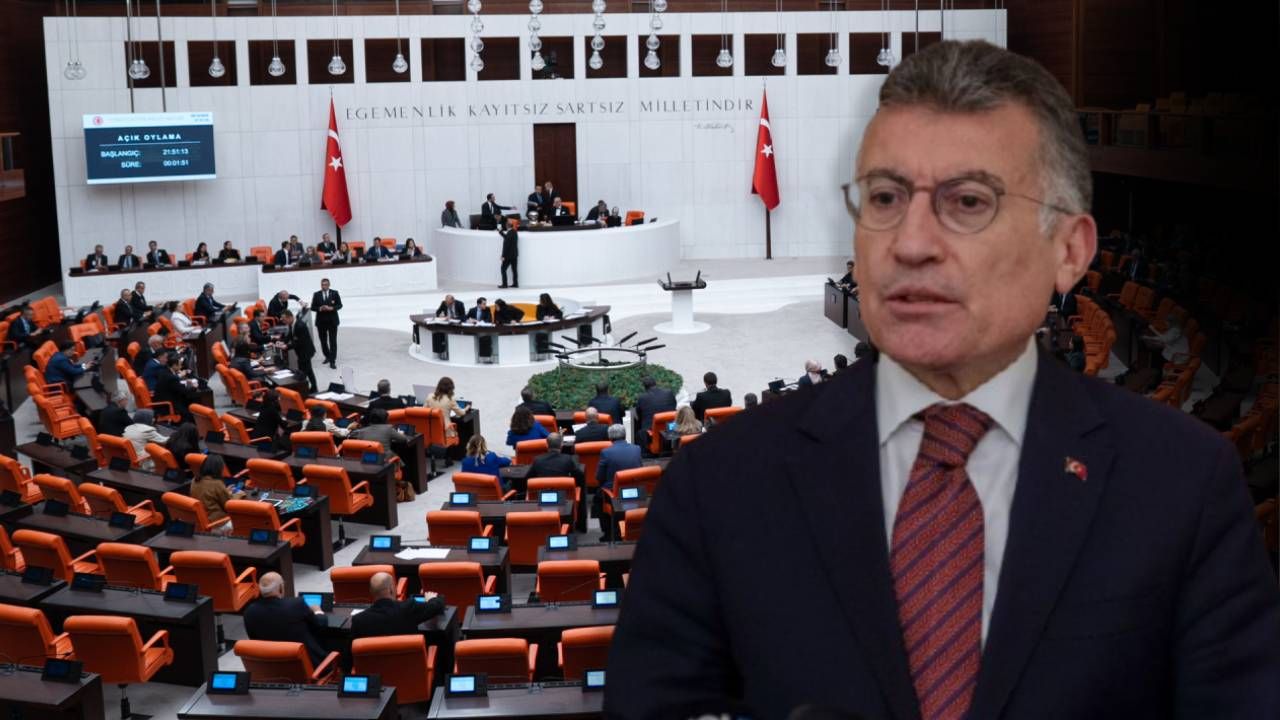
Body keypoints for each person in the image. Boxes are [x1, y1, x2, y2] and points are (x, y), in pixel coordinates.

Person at [606, 40, 1280, 719]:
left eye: (967, 202)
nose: (910, 243)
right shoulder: (717, 486)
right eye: (885, 197)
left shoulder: (1184, 486)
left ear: (1070, 250)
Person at [243, 572, 330, 667]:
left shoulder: (249, 611)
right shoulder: (296, 604)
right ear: (281, 588)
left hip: (271, 667)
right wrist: (318, 611)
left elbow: (254, 640)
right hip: (307, 665)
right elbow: (320, 625)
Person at [350, 572, 445, 640]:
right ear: (391, 590)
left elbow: (350, 656)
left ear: (371, 592)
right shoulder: (408, 608)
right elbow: (437, 606)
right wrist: (431, 599)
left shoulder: (358, 620)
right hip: (408, 663)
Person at [528, 433, 587, 529]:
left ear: (547, 445)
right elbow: (579, 476)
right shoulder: (568, 459)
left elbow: (529, 478)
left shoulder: (537, 460)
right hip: (564, 500)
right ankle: (580, 524)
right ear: (561, 445)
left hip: (542, 499)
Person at [594, 424, 641, 538]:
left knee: (598, 498)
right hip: (635, 491)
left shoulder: (606, 452)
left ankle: (608, 533)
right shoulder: (637, 449)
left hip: (614, 493)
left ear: (610, 437)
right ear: (625, 435)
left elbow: (599, 477)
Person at [190, 454, 246, 524]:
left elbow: (209, 495)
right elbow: (228, 506)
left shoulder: (195, 480)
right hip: (218, 523)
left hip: (201, 520)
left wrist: (225, 491)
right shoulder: (217, 483)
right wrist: (239, 495)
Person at [278, 309, 317, 394]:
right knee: (308, 370)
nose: (283, 322)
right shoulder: (292, 323)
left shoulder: (300, 326)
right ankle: (314, 388)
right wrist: (283, 342)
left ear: (290, 317)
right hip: (301, 351)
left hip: (305, 351)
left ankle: (304, 391)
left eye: (284, 320)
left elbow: (299, 342)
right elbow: (290, 335)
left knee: (302, 372)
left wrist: (287, 346)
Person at [154, 353, 199, 422]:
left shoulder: (165, 371)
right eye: (180, 364)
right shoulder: (171, 377)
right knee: (189, 413)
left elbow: (176, 387)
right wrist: (194, 387)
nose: (181, 366)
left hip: (166, 399)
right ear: (174, 365)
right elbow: (184, 391)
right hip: (167, 406)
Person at [634, 376, 676, 446]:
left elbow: (639, 415)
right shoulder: (669, 393)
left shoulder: (642, 398)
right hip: (671, 427)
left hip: (651, 430)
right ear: (655, 383)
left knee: (638, 425)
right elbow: (674, 406)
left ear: (644, 387)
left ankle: (643, 450)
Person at [311, 278, 342, 369]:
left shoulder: (335, 293)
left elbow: (340, 305)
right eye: (322, 285)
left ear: (329, 285)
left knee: (333, 341)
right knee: (323, 341)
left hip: (332, 321)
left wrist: (332, 308)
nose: (324, 286)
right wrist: (320, 308)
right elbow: (313, 307)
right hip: (321, 322)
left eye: (325, 284)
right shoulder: (316, 294)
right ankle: (327, 356)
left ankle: (332, 361)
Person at [499, 217, 519, 289]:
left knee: (503, 269)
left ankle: (505, 284)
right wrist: (501, 232)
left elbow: (506, 246)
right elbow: (507, 238)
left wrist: (503, 256)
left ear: (507, 226)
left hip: (508, 256)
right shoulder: (514, 232)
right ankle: (515, 283)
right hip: (514, 255)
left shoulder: (509, 233)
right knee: (514, 270)